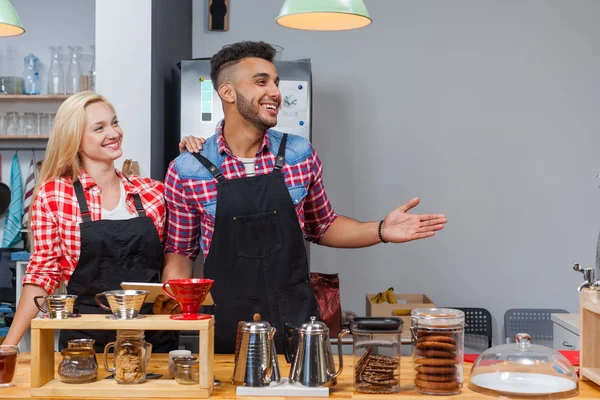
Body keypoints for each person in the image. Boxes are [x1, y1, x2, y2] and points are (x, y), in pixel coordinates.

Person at [162, 41, 448, 354]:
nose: (275, 92)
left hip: (299, 323)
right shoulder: (188, 169)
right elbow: (179, 256)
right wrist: (172, 331)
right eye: (261, 82)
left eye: (275, 82)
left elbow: (323, 226)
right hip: (228, 328)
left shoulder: (299, 154)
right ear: (228, 92)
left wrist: (381, 230)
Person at [4, 91, 204, 352]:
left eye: (114, 122)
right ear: (75, 140)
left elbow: (179, 253)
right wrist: (9, 344)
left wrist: (196, 159)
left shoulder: (153, 192)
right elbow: (42, 274)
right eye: (99, 128)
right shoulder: (54, 195)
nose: (113, 133)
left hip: (152, 336)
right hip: (85, 342)